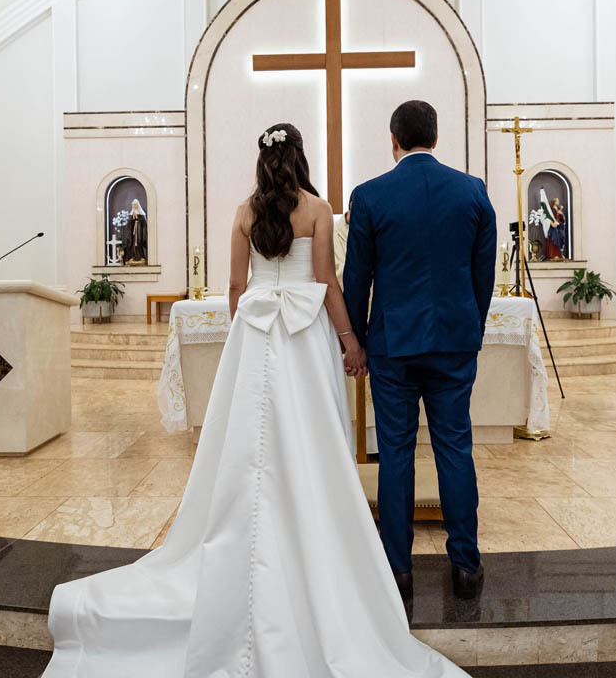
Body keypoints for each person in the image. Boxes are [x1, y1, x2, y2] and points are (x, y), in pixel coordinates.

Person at [42, 122, 468, 677]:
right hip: (305, 335)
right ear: (299, 158)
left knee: (247, 441)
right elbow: (328, 284)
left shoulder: (243, 212)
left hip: (256, 331)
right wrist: (350, 342)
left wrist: (245, 331)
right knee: (309, 436)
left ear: (263, 161)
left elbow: (237, 289)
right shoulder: (318, 209)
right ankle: (314, 529)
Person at [342, 100, 497, 603]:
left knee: (397, 454)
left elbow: (357, 277)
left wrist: (360, 340)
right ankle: (467, 569)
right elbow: (483, 274)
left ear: (394, 140)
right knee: (455, 448)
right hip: (454, 342)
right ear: (435, 136)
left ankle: (398, 571)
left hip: (393, 345)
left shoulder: (369, 196)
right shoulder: (473, 192)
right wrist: (469, 328)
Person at [124, 198, 149, 264]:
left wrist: (137, 218)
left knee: (139, 243)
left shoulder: (141, 213)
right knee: (133, 244)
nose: (134, 206)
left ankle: (141, 256)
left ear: (138, 205)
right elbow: (129, 224)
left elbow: (144, 223)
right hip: (133, 233)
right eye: (133, 205)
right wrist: (133, 218)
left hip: (139, 232)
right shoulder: (132, 213)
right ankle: (133, 256)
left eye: (135, 205)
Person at [545, 197, 566, 261]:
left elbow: (561, 218)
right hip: (554, 227)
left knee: (561, 238)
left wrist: (561, 214)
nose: (558, 202)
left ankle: (559, 254)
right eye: (557, 201)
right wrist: (552, 223)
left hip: (559, 226)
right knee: (555, 239)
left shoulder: (558, 209)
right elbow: (549, 217)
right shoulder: (551, 210)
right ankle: (553, 254)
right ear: (554, 202)